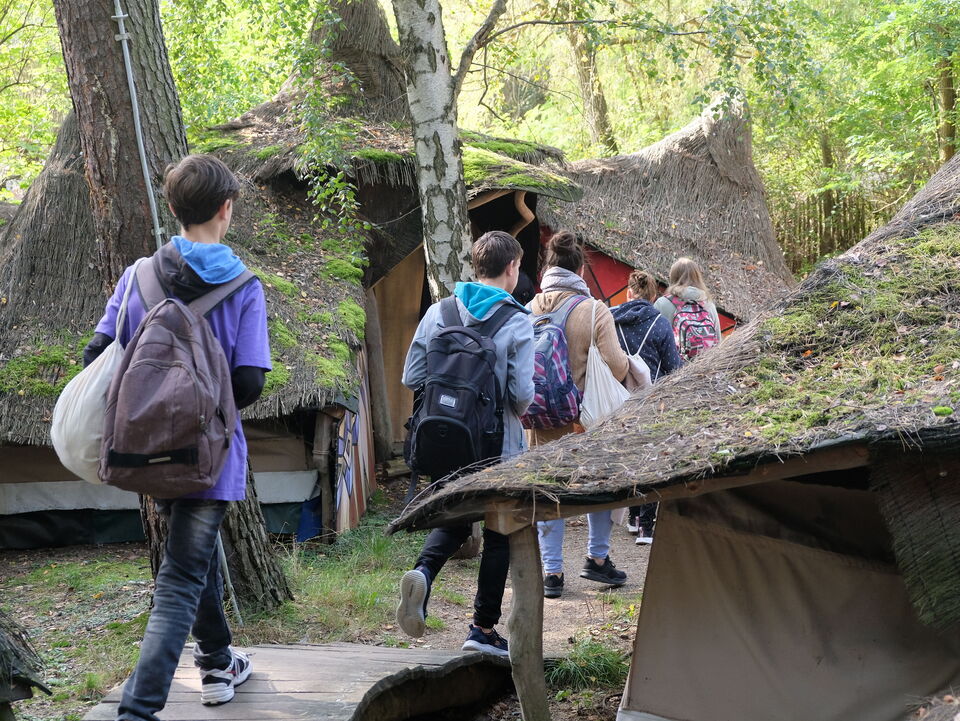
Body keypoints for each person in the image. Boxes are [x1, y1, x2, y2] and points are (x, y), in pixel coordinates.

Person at [83, 155, 271, 721]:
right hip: (209, 458)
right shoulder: (243, 286)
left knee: (192, 560)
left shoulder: (138, 276)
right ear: (226, 208)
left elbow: (97, 355)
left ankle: (217, 663)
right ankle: (136, 712)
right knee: (182, 577)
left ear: (172, 207)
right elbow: (249, 382)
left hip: (145, 452)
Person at [396, 230, 535, 657]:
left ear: (477, 266)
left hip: (445, 438)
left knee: (456, 520)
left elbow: (412, 376)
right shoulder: (517, 320)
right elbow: (520, 395)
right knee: (498, 533)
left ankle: (423, 572)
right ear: (511, 267)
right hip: (498, 445)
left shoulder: (439, 312)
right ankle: (482, 629)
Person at [529, 231, 631, 599]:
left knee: (548, 488)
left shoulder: (529, 307)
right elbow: (617, 366)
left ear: (548, 268)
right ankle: (597, 559)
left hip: (540, 418)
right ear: (580, 271)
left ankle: (552, 573)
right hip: (583, 418)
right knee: (598, 483)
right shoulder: (593, 310)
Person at [611, 269, 684, 545]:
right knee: (651, 458)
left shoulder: (610, 319)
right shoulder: (660, 324)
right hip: (651, 399)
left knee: (628, 456)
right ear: (654, 297)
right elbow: (673, 367)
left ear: (628, 293)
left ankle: (632, 516)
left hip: (618, 398)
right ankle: (645, 526)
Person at [653, 257, 722, 355]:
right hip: (704, 363)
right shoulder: (709, 305)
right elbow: (718, 343)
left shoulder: (662, 303)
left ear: (673, 277)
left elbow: (653, 340)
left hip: (673, 362)